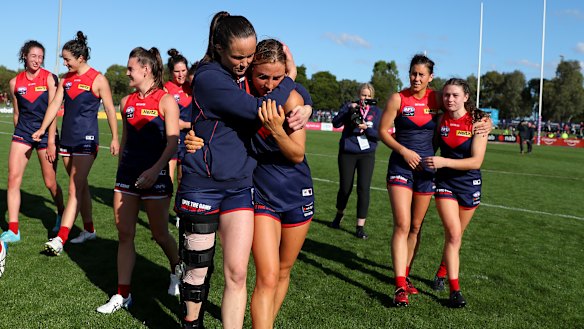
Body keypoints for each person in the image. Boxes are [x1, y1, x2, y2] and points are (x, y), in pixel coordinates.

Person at [176, 12, 310, 329]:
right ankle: (191, 323)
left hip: (240, 187)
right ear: (219, 48)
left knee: (237, 273)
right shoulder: (209, 77)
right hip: (202, 186)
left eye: (249, 56)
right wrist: (291, 78)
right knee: (196, 272)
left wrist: (304, 100)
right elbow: (259, 111)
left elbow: (274, 85)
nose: (244, 63)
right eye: (238, 56)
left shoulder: (247, 76)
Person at [96, 47, 181, 314]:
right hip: (127, 177)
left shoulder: (166, 100)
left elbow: (173, 142)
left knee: (159, 234)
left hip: (156, 177)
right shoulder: (126, 102)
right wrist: (121, 173)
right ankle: (123, 294)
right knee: (124, 234)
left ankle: (177, 268)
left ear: (145, 69)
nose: (127, 72)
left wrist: (156, 170)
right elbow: (127, 142)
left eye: (130, 68)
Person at [32, 31, 119, 255]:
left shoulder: (98, 79)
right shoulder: (66, 80)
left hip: (87, 141)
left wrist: (116, 138)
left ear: (80, 58)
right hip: (68, 140)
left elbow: (110, 109)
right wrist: (43, 128)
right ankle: (89, 229)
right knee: (81, 186)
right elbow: (54, 105)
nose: (64, 62)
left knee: (73, 186)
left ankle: (60, 239)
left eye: (67, 59)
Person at [247, 39, 313, 329]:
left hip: (298, 192)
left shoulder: (293, 100)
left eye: (277, 77)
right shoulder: (242, 95)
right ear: (250, 70)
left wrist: (276, 130)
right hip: (262, 194)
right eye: (263, 76)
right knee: (267, 276)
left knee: (284, 271)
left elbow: (297, 154)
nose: (270, 84)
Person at [379, 54, 441, 306]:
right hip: (400, 168)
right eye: (413, 73)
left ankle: (405, 276)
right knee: (402, 225)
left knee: (416, 227)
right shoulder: (398, 98)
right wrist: (403, 151)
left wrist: (485, 122)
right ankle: (399, 286)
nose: (416, 78)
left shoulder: (438, 98)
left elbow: (463, 110)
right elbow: (382, 131)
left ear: (430, 77)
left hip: (427, 171)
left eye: (421, 75)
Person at [423, 78, 488, 308]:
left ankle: (441, 272)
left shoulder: (478, 122)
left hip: (469, 184)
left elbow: (476, 161)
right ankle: (455, 290)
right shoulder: (440, 119)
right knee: (453, 234)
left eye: (455, 95)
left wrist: (443, 161)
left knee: (456, 236)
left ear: (466, 97)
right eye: (447, 95)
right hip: (445, 183)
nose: (450, 99)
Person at [1, 40, 65, 243]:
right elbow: (17, 113)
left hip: (47, 134)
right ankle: (13, 230)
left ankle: (61, 213)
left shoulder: (50, 78)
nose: (37, 60)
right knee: (13, 178)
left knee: (50, 182)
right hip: (23, 132)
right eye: (33, 56)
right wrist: (19, 133)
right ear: (25, 57)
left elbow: (53, 112)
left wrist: (52, 141)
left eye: (40, 56)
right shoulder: (14, 83)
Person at [330, 83, 382, 239]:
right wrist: (348, 109)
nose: (365, 98)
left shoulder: (377, 112)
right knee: (345, 188)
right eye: (363, 95)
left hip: (367, 154)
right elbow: (335, 123)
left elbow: (379, 134)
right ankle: (339, 215)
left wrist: (367, 128)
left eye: (368, 96)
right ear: (359, 95)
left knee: (363, 188)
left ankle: (360, 226)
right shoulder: (350, 106)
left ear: (372, 97)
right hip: (348, 151)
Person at [164, 48, 192, 185]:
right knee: (168, 179)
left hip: (190, 140)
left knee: (184, 179)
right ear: (170, 72)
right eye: (177, 71)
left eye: (183, 70)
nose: (181, 75)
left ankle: (180, 206)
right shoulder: (165, 89)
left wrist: (186, 125)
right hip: (172, 140)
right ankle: (162, 205)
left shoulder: (193, 86)